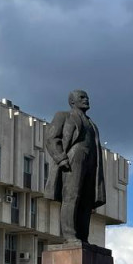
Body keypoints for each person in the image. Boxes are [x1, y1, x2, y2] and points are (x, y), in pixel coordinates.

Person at [44, 90, 107, 242]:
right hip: (73, 158)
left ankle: (83, 237)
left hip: (91, 161)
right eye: (82, 97)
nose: (86, 100)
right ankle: (69, 234)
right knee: (71, 196)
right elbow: (51, 138)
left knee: (87, 200)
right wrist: (61, 159)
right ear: (72, 102)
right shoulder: (63, 116)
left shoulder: (92, 125)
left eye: (87, 97)